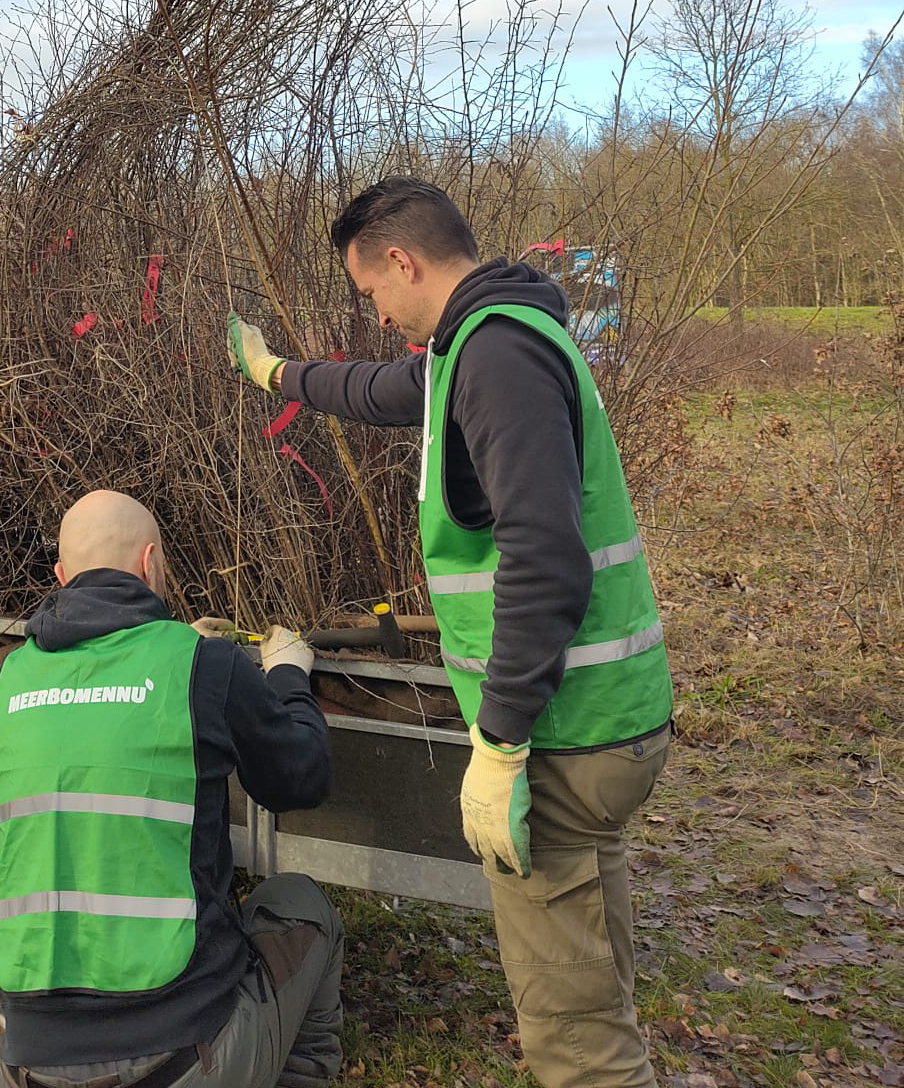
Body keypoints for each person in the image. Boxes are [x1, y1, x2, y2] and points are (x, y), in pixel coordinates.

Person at [226, 177, 674, 1088]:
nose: (377, 314)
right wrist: (277, 373)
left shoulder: (497, 356)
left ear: (402, 261)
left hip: (564, 735)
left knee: (576, 1043)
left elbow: (545, 557)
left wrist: (501, 742)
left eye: (371, 291)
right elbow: (379, 387)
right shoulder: (481, 343)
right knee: (593, 987)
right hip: (602, 721)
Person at [0, 489, 344, 1088]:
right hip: (180, 1057)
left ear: (61, 576)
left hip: (27, 1063)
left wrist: (176, 643)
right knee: (304, 904)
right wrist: (287, 673)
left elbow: (102, 702)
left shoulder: (13, 676)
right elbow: (301, 777)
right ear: (151, 563)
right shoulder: (203, 667)